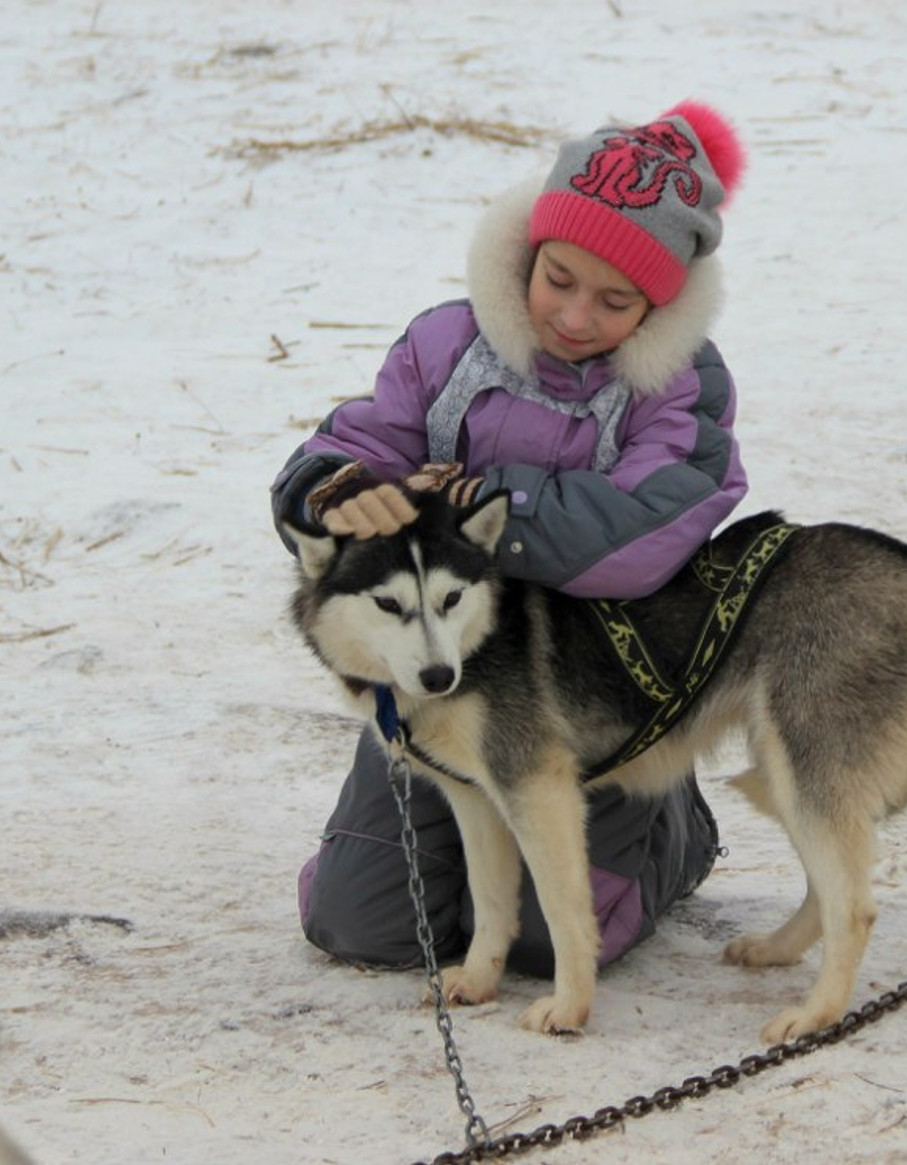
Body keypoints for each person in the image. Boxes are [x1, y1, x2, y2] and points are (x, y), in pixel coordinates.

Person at [272, 101, 750, 977]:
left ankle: (674, 827)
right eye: (558, 278)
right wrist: (332, 492)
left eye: (615, 301)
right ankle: (427, 850)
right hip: (438, 672)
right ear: (529, 252)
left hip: (590, 695)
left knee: (542, 943)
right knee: (366, 926)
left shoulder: (681, 388)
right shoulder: (446, 342)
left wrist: (478, 512)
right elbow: (363, 443)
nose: (574, 315)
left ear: (659, 304)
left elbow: (642, 533)